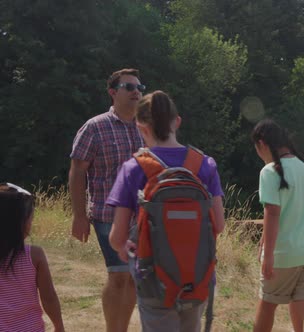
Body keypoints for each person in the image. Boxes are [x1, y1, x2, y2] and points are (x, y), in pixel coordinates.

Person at [107, 90, 225, 331]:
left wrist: (123, 248)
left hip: (153, 280)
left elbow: (117, 238)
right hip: (198, 276)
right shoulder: (204, 165)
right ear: (177, 121)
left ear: (140, 126)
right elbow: (219, 225)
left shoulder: (134, 168)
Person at [69, 68, 145, 331]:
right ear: (113, 92)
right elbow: (78, 171)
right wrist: (79, 215)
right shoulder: (95, 126)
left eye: (139, 87)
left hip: (141, 216)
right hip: (106, 215)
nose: (137, 92)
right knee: (118, 277)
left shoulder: (146, 128)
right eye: (129, 87)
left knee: (134, 278)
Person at [251, 119, 304, 332]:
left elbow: (272, 213)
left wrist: (268, 255)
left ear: (262, 144)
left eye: (257, 149)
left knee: (267, 305)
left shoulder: (269, 171)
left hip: (284, 255)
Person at [0, 183, 65, 332]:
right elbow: (48, 297)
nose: (32, 222)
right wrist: (59, 326)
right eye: (31, 218)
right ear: (20, 223)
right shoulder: (34, 256)